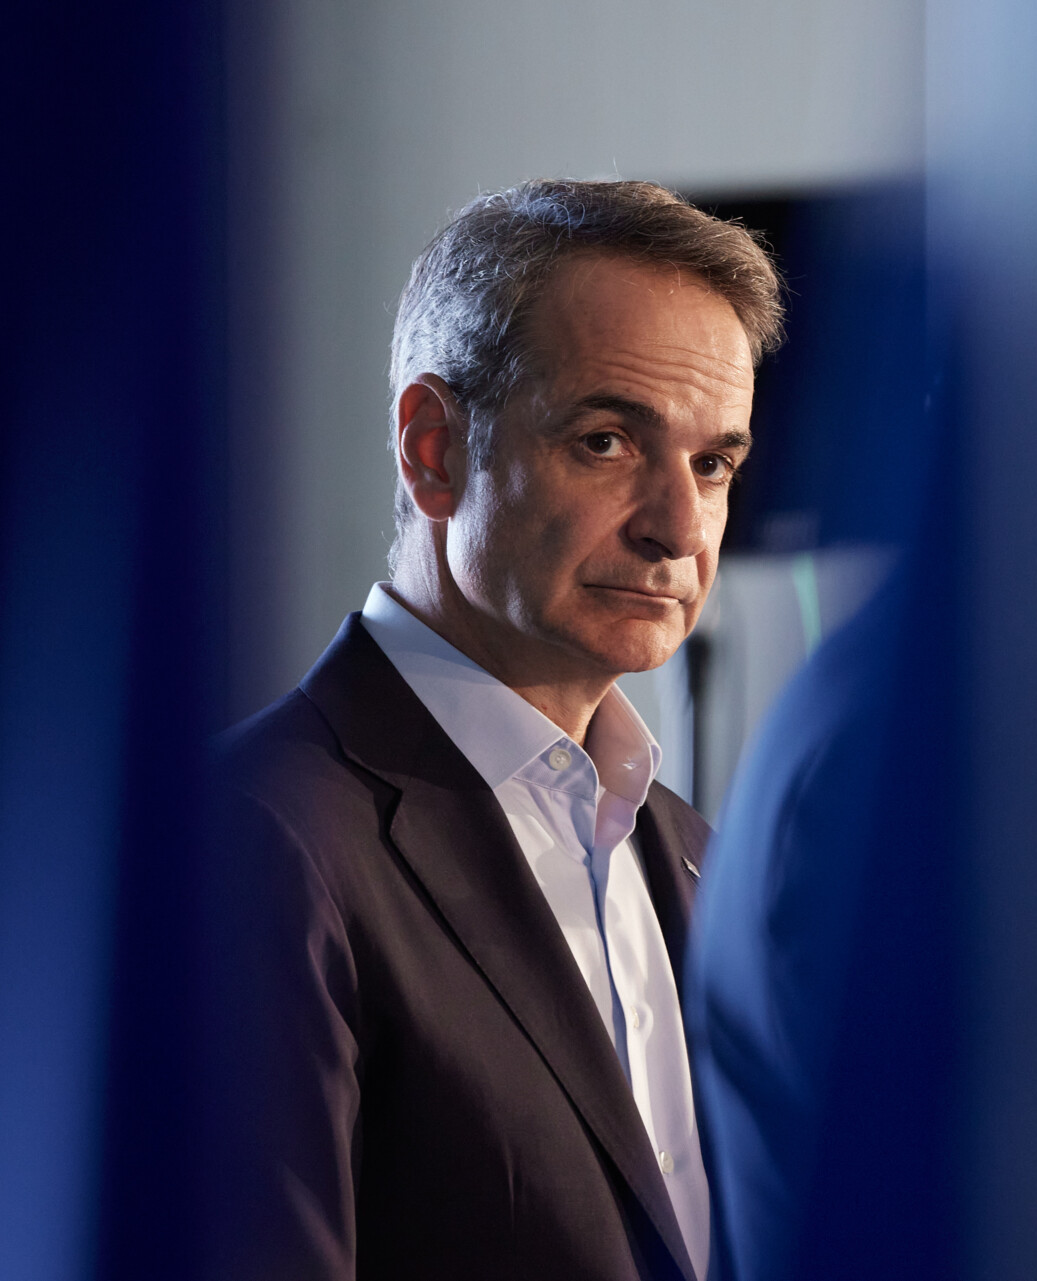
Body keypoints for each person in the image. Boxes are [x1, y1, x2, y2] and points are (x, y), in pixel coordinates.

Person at [204, 179, 782, 1281]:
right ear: (434, 450)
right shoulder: (252, 842)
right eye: (608, 441)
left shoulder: (696, 852)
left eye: (712, 464)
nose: (679, 528)